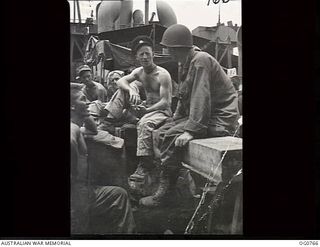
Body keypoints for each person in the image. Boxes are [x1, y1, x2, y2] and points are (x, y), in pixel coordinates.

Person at [139, 24, 240, 207]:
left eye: (169, 48)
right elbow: (185, 98)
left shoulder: (200, 60)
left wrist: (191, 131)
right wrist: (174, 121)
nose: (167, 52)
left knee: (172, 136)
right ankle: (175, 186)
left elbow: (201, 97)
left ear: (178, 48)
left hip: (221, 117)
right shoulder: (185, 63)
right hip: (207, 114)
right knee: (163, 131)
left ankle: (166, 192)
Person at [104, 36, 173, 183]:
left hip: (161, 112)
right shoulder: (139, 72)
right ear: (136, 57)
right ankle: (108, 121)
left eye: (147, 53)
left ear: (153, 54)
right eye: (141, 54)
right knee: (123, 90)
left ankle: (144, 165)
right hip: (147, 111)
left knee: (143, 124)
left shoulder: (162, 74)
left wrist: (146, 111)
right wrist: (132, 91)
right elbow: (122, 81)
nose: (145, 57)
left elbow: (166, 102)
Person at [70, 83, 136, 234]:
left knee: (118, 194)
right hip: (77, 195)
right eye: (82, 100)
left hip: (82, 190)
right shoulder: (72, 129)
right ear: (73, 107)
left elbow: (92, 130)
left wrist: (85, 114)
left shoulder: (76, 125)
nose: (88, 103)